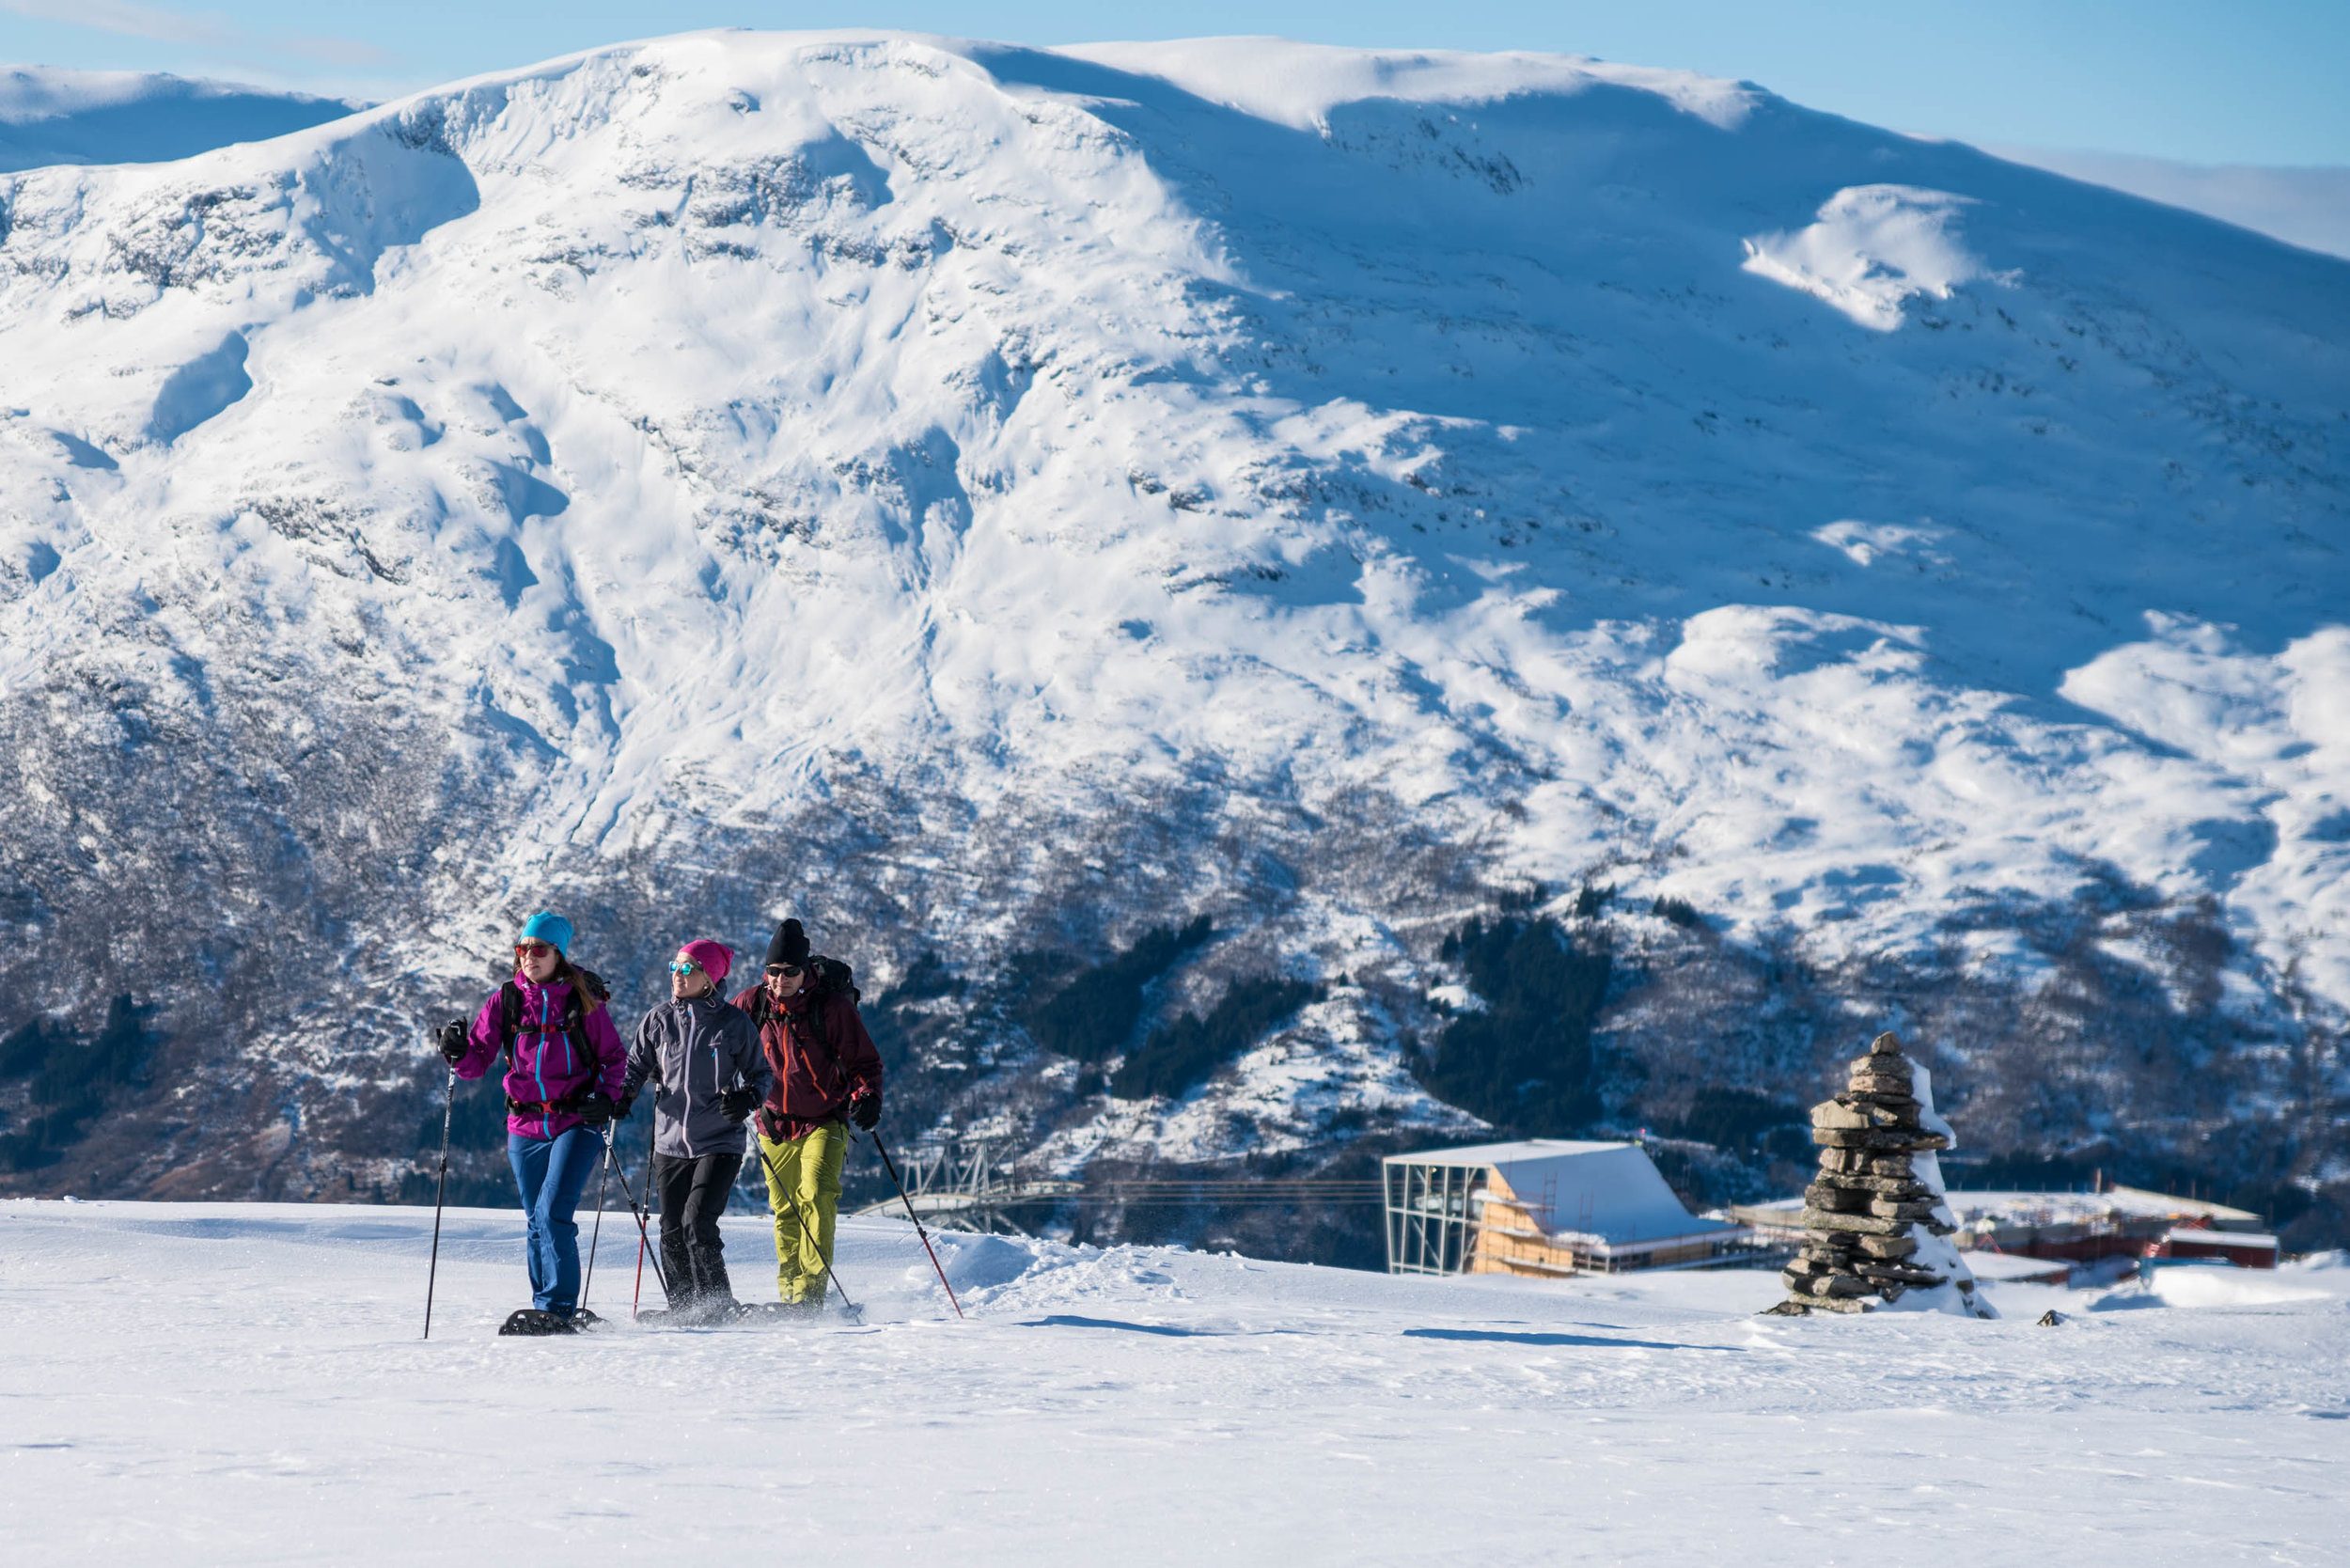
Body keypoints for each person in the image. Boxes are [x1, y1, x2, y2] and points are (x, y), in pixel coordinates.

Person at [437, 911, 627, 1331]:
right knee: (535, 1219)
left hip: (575, 1122)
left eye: (538, 949)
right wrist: (454, 1050)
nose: (529, 957)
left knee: (552, 1213)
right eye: (522, 949)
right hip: (524, 1127)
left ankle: (557, 1308)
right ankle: (545, 1304)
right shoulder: (506, 1000)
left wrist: (605, 1098)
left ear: (558, 954)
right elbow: (475, 1062)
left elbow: (615, 1058)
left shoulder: (582, 1001)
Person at [732, 917, 882, 1311]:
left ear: (805, 971)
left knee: (815, 1194)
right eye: (773, 971)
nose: (780, 979)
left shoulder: (830, 1009)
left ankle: (811, 1295)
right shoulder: (752, 1003)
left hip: (825, 1119)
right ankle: (790, 1293)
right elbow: (720, 1044)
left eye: (789, 971)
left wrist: (867, 1095)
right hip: (773, 1122)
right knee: (785, 1210)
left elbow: (864, 1061)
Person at [620, 938, 771, 1322]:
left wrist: (747, 1098)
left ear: (710, 977)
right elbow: (635, 1065)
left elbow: (762, 1074)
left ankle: (717, 1306)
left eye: (688, 969)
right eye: (675, 966)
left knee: (698, 1223)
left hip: (719, 1139)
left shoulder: (734, 1024)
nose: (678, 975)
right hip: (669, 1141)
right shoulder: (659, 1019)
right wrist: (623, 1094)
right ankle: (685, 1309)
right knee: (671, 1229)